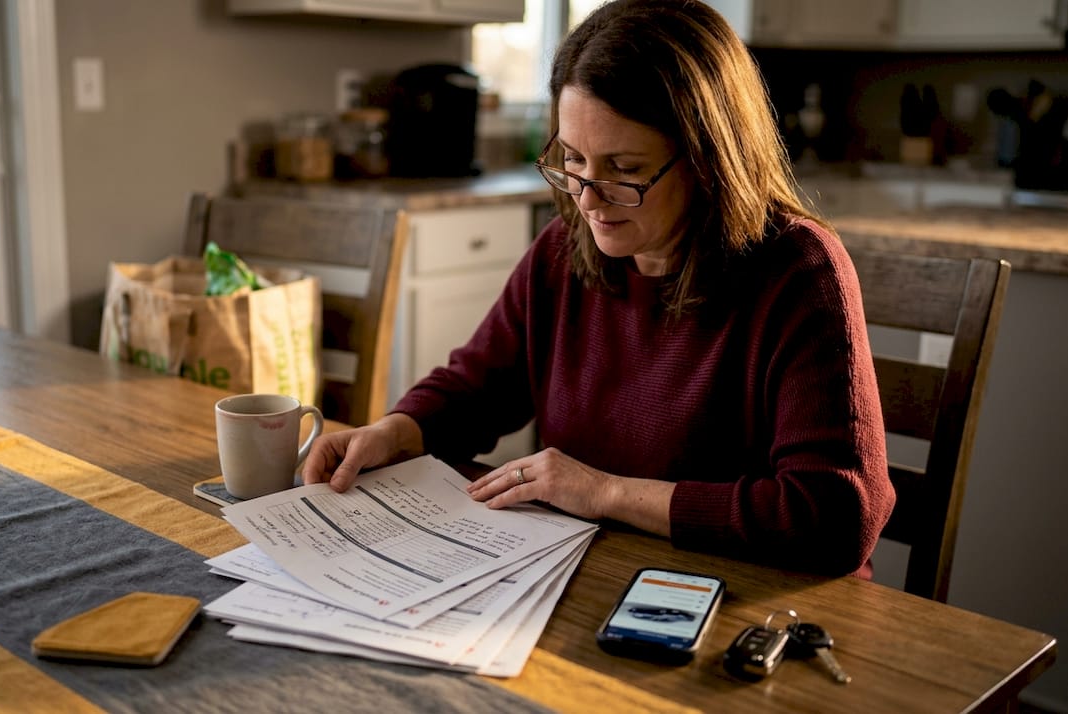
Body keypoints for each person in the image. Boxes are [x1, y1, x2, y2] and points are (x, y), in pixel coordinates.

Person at [303, 0, 895, 578]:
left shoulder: (798, 271)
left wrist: (603, 491)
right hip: (603, 570)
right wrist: (392, 433)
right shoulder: (565, 251)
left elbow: (835, 518)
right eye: (573, 160)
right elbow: (476, 387)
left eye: (626, 169)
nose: (588, 198)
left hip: (759, 601)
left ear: (709, 158)